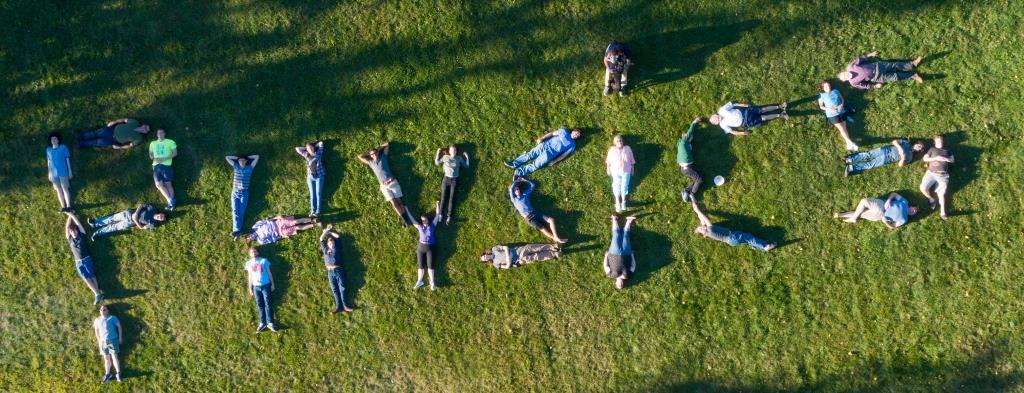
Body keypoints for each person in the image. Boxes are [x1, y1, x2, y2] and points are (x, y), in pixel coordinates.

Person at [357, 142, 417, 226]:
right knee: (394, 204)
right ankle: (406, 220)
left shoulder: (383, 157)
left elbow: (387, 144)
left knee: (399, 201)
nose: (373, 155)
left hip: (392, 182)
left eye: (375, 153)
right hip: (383, 186)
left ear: (378, 152)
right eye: (372, 154)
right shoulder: (370, 162)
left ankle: (408, 218)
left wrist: (378, 149)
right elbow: (359, 156)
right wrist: (369, 154)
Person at [690, 200, 776, 251]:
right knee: (749, 237)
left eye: (700, 226)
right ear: (704, 235)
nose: (701, 227)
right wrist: (697, 210)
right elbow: (705, 219)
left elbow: (702, 219)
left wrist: (696, 211)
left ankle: (757, 247)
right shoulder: (710, 229)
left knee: (748, 239)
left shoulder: (707, 232)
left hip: (731, 241)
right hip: (732, 237)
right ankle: (765, 247)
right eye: (701, 229)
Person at [509, 177, 567, 243]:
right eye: (515, 190)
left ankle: (556, 237)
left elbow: (532, 185)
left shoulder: (525, 194)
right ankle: (555, 238)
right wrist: (516, 181)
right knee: (543, 229)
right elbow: (511, 189)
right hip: (530, 218)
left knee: (551, 220)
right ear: (513, 192)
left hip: (535, 212)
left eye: (518, 189)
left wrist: (524, 180)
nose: (517, 190)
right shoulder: (514, 200)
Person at [504, 128, 582, 177]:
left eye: (578, 136)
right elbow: (551, 133)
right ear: (573, 131)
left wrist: (554, 161)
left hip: (550, 154)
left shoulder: (572, 145)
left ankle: (519, 173)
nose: (576, 135)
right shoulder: (563, 131)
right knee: (529, 155)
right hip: (544, 145)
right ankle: (514, 163)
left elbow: (564, 155)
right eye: (576, 133)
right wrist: (542, 138)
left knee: (535, 165)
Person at [65, 212, 103, 304]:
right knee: (86, 278)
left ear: (77, 231)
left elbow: (78, 224)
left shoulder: (82, 235)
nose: (73, 232)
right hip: (78, 262)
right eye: (71, 231)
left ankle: (97, 294)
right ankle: (97, 294)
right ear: (70, 233)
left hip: (86, 259)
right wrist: (69, 215)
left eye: (74, 230)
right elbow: (67, 228)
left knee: (92, 276)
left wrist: (73, 215)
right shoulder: (70, 239)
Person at [839, 51, 923, 89]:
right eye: (845, 77)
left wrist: (870, 55)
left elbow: (860, 59)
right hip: (877, 77)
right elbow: (865, 85)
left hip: (878, 66)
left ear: (844, 71)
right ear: (845, 80)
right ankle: (913, 76)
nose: (846, 75)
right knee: (895, 77)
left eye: (844, 74)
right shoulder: (853, 83)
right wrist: (875, 86)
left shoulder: (850, 66)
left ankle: (913, 64)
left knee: (895, 65)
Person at [834, 192, 919, 229]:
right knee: (864, 201)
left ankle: (841, 215)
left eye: (915, 212)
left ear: (912, 215)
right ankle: (853, 218)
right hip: (882, 204)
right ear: (912, 206)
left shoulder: (904, 219)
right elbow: (894, 194)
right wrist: (889, 200)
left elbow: (893, 227)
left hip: (880, 215)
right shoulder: (905, 202)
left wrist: (885, 222)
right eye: (915, 208)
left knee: (861, 214)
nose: (914, 210)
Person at [319, 225, 354, 313]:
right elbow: (321, 239)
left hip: (338, 270)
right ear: (327, 244)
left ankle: (345, 306)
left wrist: (330, 232)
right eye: (330, 242)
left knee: (342, 288)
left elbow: (338, 237)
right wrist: (326, 231)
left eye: (333, 242)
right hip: (330, 272)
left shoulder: (337, 248)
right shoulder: (325, 250)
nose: (332, 243)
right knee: (334, 289)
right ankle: (338, 307)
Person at [844, 139, 925, 176]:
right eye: (919, 145)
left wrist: (903, 158)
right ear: (916, 143)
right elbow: (894, 141)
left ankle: (851, 168)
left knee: (870, 164)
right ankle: (849, 159)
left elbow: (900, 165)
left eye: (920, 148)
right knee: (868, 154)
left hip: (887, 159)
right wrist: (900, 148)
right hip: (885, 150)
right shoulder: (906, 142)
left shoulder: (910, 157)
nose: (919, 147)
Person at [817, 81, 859, 151]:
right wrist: (829, 109)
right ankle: (850, 142)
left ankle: (848, 144)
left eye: (829, 85)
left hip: (841, 111)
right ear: (823, 88)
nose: (828, 87)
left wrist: (841, 105)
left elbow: (842, 99)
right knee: (841, 128)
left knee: (844, 128)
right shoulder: (822, 95)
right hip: (832, 114)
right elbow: (821, 106)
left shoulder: (835, 91)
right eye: (826, 86)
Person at [225, 154, 260, 239]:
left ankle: (237, 231)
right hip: (235, 192)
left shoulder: (249, 168)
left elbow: (257, 157)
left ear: (246, 161)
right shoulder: (236, 166)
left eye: (243, 161)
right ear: (238, 161)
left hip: (244, 193)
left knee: (241, 212)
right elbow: (227, 157)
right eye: (240, 161)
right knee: (235, 211)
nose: (242, 162)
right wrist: (237, 158)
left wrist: (247, 158)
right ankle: (237, 231)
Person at [920, 135, 954, 220]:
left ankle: (943, 212)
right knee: (922, 188)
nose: (940, 142)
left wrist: (945, 159)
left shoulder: (947, 150)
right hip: (931, 173)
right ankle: (931, 199)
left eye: (941, 141)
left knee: (941, 194)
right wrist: (936, 158)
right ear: (934, 142)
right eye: (938, 141)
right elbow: (925, 159)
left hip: (943, 175)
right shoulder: (932, 149)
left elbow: (952, 160)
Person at [434, 144, 470, 224]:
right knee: (443, 197)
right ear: (449, 151)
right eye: (451, 150)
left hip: (455, 180)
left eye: (454, 150)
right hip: (446, 179)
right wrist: (438, 153)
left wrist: (467, 158)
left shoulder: (459, 158)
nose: (453, 152)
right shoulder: (445, 157)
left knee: (451, 198)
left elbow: (466, 166)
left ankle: (449, 216)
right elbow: (437, 163)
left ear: (456, 151)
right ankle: (440, 215)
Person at [244, 247, 277, 332]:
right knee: (260, 305)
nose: (254, 253)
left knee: (268, 303)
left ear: (258, 253)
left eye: (255, 251)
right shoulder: (248, 263)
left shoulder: (263, 261)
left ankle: (270, 322)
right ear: (250, 254)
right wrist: (250, 288)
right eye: (252, 252)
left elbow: (269, 273)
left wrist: (272, 284)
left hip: (266, 285)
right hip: (256, 287)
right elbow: (249, 276)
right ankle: (262, 323)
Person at [88, 204, 166, 240]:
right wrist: (136, 213)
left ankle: (97, 234)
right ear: (161, 213)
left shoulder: (153, 224)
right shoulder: (152, 209)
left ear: (160, 220)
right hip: (128, 213)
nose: (160, 217)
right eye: (162, 216)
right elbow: (142, 205)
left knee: (113, 227)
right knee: (111, 218)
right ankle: (95, 223)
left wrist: (136, 221)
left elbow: (142, 227)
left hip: (129, 223)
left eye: (161, 219)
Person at [708, 102, 788, 136]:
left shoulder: (721, 110)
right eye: (715, 121)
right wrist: (743, 133)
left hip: (745, 112)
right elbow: (733, 132)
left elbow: (733, 104)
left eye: (715, 117)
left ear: (715, 114)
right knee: (763, 118)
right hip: (746, 122)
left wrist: (744, 105)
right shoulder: (722, 125)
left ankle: (780, 106)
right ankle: (779, 115)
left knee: (763, 109)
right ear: (717, 124)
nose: (717, 119)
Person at [412, 202, 442, 290]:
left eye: (424, 220)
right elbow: (413, 220)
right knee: (420, 266)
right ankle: (419, 281)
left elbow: (437, 214)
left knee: (430, 266)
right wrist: (406, 210)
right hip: (420, 248)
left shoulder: (432, 225)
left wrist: (437, 204)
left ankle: (432, 283)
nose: (423, 221)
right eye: (422, 220)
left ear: (428, 219)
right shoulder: (419, 227)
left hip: (430, 248)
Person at [604, 215, 637, 289]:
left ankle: (614, 219)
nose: (620, 284)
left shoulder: (610, 275)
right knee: (626, 236)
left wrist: (606, 256)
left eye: (618, 285)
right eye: (621, 285)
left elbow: (606, 266)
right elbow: (633, 266)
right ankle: (628, 221)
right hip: (627, 253)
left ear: (615, 283)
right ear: (623, 283)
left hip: (613, 253)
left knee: (616, 235)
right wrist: (632, 255)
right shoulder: (627, 276)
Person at [92, 305, 123, 383]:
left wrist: (120, 337)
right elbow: (96, 331)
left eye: (104, 310)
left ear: (108, 311)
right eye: (101, 310)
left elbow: (119, 327)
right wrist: (99, 341)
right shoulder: (97, 320)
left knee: (114, 356)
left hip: (111, 340)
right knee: (106, 358)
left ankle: (118, 373)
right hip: (103, 342)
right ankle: (108, 374)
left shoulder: (112, 318)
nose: (102, 311)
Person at [149, 129, 178, 210]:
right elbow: (150, 153)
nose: (160, 134)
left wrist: (164, 158)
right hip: (156, 166)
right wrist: (152, 157)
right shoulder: (152, 143)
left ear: (165, 134)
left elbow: (175, 153)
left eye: (161, 132)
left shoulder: (170, 142)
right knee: (158, 185)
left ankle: (171, 205)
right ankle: (170, 201)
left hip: (166, 165)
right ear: (157, 134)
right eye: (158, 132)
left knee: (168, 184)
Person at [75, 118, 150, 149]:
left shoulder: (139, 138)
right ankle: (80, 136)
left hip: (114, 140)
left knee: (97, 142)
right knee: (95, 133)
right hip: (111, 130)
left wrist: (119, 147)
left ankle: (82, 144)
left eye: (146, 130)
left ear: (145, 133)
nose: (144, 129)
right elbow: (124, 119)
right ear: (144, 125)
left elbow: (130, 145)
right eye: (146, 127)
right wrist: (115, 122)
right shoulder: (135, 122)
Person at [605, 134, 635, 212]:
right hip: (615, 170)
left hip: (626, 170)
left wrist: (632, 168)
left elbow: (631, 159)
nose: (619, 142)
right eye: (617, 141)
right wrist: (608, 168)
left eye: (620, 140)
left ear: (623, 141)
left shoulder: (627, 148)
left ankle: (624, 202)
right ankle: (618, 202)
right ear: (615, 143)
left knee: (624, 186)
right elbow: (608, 160)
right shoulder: (612, 149)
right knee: (616, 185)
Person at [295, 141, 325, 217]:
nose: (310, 150)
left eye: (311, 148)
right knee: (312, 195)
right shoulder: (306, 155)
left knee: (318, 194)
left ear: (314, 148)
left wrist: (314, 146)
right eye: (309, 149)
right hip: (310, 178)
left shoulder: (318, 153)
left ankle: (317, 212)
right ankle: (312, 210)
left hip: (319, 176)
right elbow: (297, 149)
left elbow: (321, 143)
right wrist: (306, 147)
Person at [677, 116, 703, 202]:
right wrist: (694, 122)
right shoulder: (684, 141)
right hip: (687, 167)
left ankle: (686, 191)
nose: (691, 137)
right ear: (685, 136)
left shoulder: (682, 144)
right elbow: (690, 131)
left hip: (686, 168)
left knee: (697, 178)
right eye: (689, 136)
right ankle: (692, 193)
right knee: (699, 180)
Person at [46, 132, 74, 212]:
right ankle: (63, 207)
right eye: (52, 139)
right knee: (58, 190)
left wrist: (70, 171)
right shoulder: (48, 150)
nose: (53, 140)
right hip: (54, 174)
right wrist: (49, 173)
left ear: (58, 140)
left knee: (65, 189)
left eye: (55, 139)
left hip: (63, 172)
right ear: (50, 141)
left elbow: (67, 159)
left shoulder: (63, 147)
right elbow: (48, 162)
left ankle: (68, 206)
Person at [245, 215, 319, 245]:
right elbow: (272, 240)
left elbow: (265, 220)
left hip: (278, 223)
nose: (251, 237)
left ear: (249, 234)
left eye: (249, 236)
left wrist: (276, 217)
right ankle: (314, 225)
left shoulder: (255, 227)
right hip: (280, 232)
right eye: (250, 239)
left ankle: (312, 220)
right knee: (297, 228)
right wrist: (283, 236)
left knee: (295, 222)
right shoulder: (260, 241)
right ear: (252, 240)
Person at [479, 243, 561, 268]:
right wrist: (508, 263)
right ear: (486, 261)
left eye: (484, 256)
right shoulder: (495, 264)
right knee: (534, 257)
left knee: (532, 247)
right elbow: (506, 267)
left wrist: (507, 256)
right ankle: (554, 254)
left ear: (486, 253)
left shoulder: (494, 249)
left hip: (518, 251)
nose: (485, 257)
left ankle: (553, 247)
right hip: (518, 260)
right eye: (484, 259)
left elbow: (505, 247)